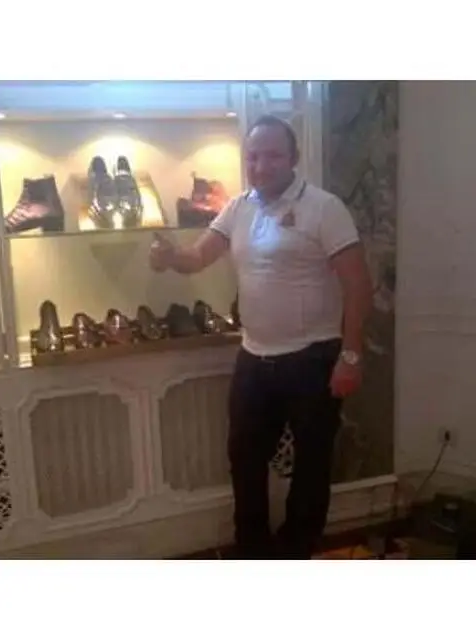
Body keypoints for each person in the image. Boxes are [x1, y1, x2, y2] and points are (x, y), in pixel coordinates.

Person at [149, 115, 373, 559]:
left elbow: (358, 284)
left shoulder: (324, 208)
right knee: (244, 460)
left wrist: (351, 355)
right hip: (254, 358)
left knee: (311, 465)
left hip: (313, 358)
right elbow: (198, 257)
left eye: (272, 155)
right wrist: (170, 257)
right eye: (253, 156)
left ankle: (295, 552)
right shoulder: (239, 207)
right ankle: (252, 552)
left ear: (293, 158)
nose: (261, 165)